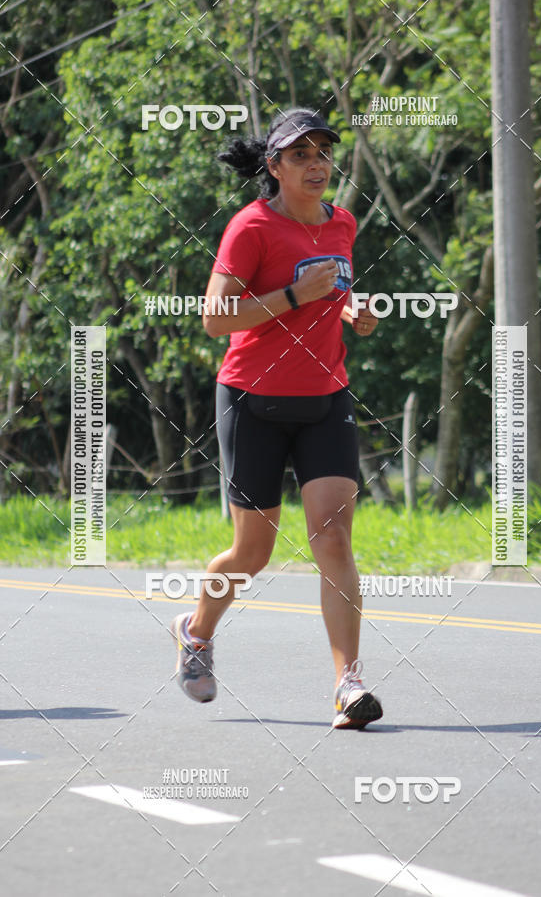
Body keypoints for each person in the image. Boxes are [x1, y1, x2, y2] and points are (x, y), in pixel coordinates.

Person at [170, 107, 382, 729]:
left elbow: (334, 293)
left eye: (323, 153)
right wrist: (295, 296)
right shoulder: (251, 227)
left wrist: (352, 313)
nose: (316, 164)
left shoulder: (341, 223)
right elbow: (215, 319)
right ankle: (197, 632)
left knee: (333, 536)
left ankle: (348, 683)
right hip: (252, 401)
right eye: (301, 155)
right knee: (251, 553)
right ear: (275, 166)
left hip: (325, 398)